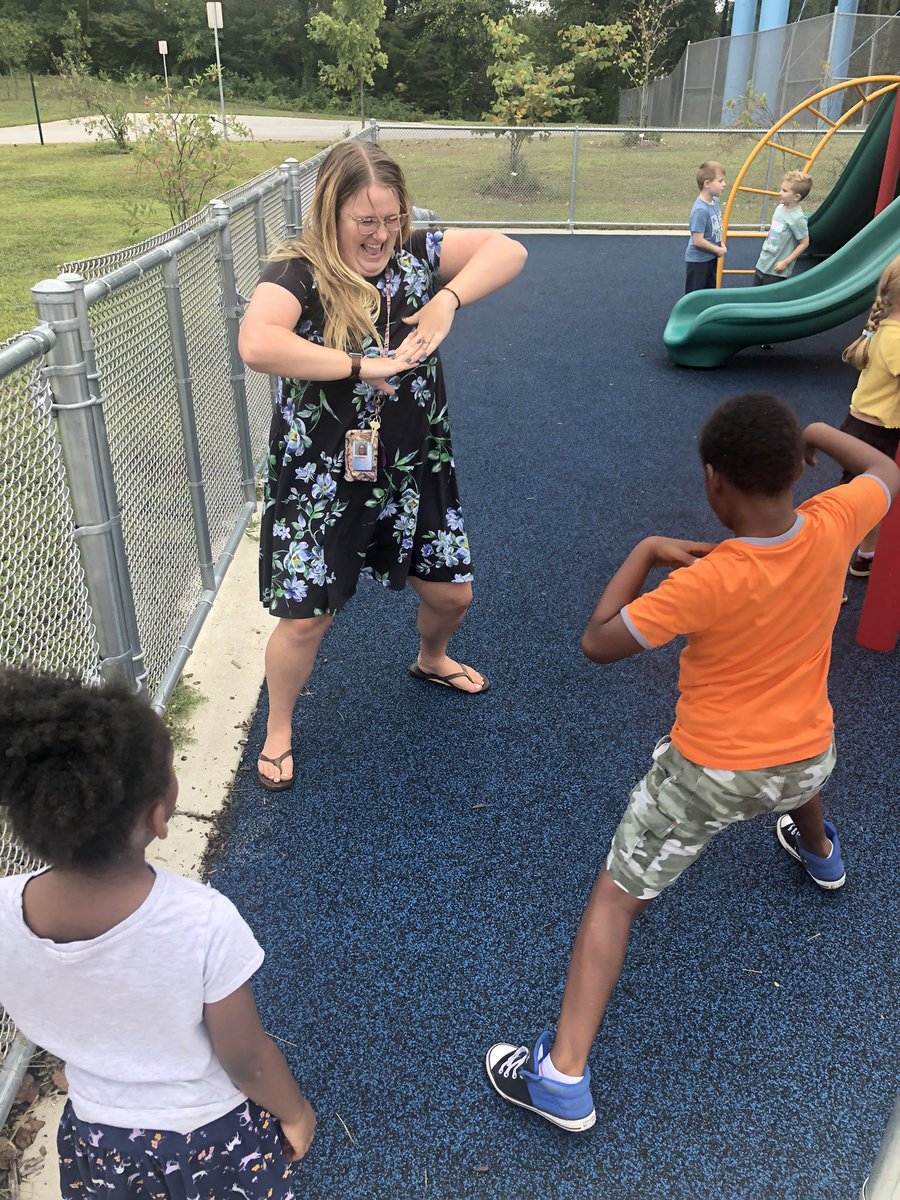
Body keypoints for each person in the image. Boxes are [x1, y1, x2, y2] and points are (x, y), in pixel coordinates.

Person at [484, 395, 899, 1133]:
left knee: (615, 899)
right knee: (802, 772)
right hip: (806, 750)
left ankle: (562, 1076)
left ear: (715, 482)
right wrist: (813, 432)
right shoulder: (838, 522)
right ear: (796, 475)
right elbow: (880, 466)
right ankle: (823, 854)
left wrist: (646, 551)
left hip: (709, 777)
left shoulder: (706, 579)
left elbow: (599, 641)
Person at [239, 140, 527, 791]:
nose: (380, 234)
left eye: (391, 218)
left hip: (411, 467)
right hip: (320, 480)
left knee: (452, 594)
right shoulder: (299, 270)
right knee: (307, 616)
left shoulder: (417, 257)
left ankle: (431, 658)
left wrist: (446, 302)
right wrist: (359, 367)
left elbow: (510, 249)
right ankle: (279, 726)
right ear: (331, 213)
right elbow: (258, 342)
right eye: (364, 221)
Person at [0, 669, 316, 1197]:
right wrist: (296, 1111)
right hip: (208, 1135)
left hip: (96, 1136)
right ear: (157, 815)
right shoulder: (203, 921)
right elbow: (247, 1059)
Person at [839, 254, 900, 577]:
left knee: (871, 505)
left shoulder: (883, 328)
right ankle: (825, 573)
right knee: (857, 509)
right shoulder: (895, 338)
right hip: (872, 437)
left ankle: (865, 557)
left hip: (866, 430)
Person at [753, 170, 812, 286]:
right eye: (781, 189)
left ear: (796, 196)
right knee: (754, 295)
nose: (780, 193)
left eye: (784, 191)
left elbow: (804, 243)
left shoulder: (797, 218)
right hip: (763, 263)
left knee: (768, 300)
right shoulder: (779, 208)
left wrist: (786, 262)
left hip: (776, 271)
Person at [684, 161, 727, 294]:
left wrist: (720, 244)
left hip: (711, 258)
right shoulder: (700, 210)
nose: (724, 184)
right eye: (720, 181)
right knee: (695, 297)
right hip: (698, 262)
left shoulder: (716, 202)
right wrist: (717, 249)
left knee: (709, 294)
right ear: (707, 184)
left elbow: (715, 229)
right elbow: (698, 240)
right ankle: (691, 315)